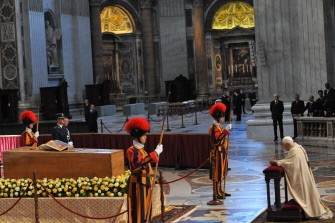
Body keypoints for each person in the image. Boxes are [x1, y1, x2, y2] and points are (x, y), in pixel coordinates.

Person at [269, 137, 333, 220]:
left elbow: (290, 164)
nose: (283, 147)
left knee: (304, 193)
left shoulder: (294, 151)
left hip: (301, 178)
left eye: (284, 145)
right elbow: (290, 161)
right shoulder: (298, 147)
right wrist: (280, 161)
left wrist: (277, 162)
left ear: (288, 144)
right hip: (305, 175)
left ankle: (313, 211)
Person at [125, 117, 163, 223]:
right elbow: (137, 165)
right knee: (139, 211)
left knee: (146, 211)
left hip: (145, 183)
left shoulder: (141, 149)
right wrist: (155, 153)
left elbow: (147, 165)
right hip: (138, 184)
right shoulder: (132, 150)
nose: (146, 137)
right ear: (137, 136)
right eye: (144, 135)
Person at [208, 103, 232, 199]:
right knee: (217, 173)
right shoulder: (213, 128)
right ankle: (216, 192)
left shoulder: (218, 127)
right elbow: (216, 141)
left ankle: (220, 190)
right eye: (222, 117)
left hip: (222, 152)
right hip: (216, 153)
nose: (223, 119)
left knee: (222, 172)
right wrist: (225, 131)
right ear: (218, 118)